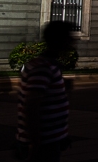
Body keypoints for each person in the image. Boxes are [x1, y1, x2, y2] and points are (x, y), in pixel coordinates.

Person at [16, 21, 75, 161]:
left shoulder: (48, 66)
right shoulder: (43, 67)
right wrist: (35, 143)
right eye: (69, 38)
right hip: (43, 144)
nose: (72, 42)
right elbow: (31, 106)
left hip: (50, 140)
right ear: (61, 40)